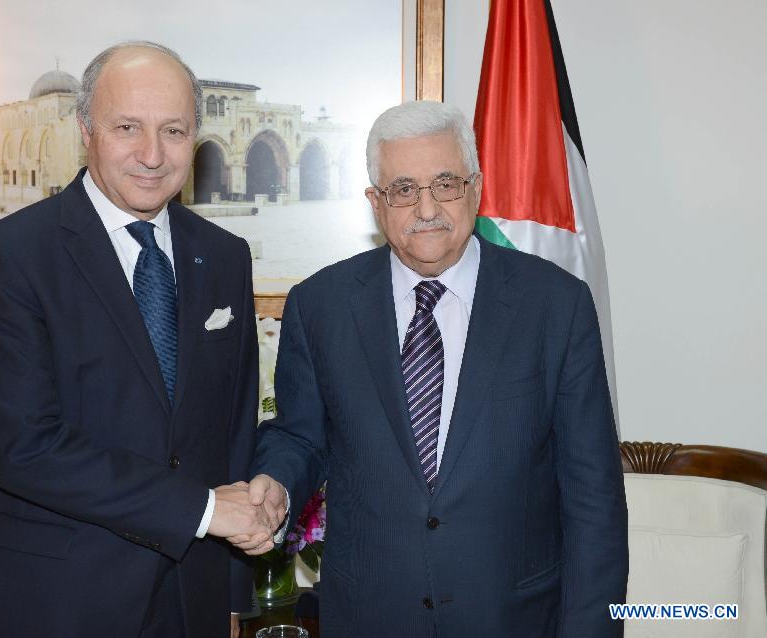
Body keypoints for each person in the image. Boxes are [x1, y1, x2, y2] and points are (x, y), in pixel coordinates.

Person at [246, 101, 628, 637]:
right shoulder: (319, 305)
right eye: (403, 189)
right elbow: (301, 436)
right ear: (376, 203)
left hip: (513, 619)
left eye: (445, 184)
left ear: (475, 188)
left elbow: (594, 501)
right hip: (369, 618)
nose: (426, 208)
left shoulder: (556, 305)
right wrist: (277, 482)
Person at [0, 41, 281, 638]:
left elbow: (231, 430)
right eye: (127, 127)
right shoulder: (9, 257)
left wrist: (233, 592)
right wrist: (207, 512)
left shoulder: (225, 256)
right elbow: (28, 448)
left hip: (194, 599)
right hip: (59, 602)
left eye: (174, 130)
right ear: (86, 129)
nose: (152, 155)